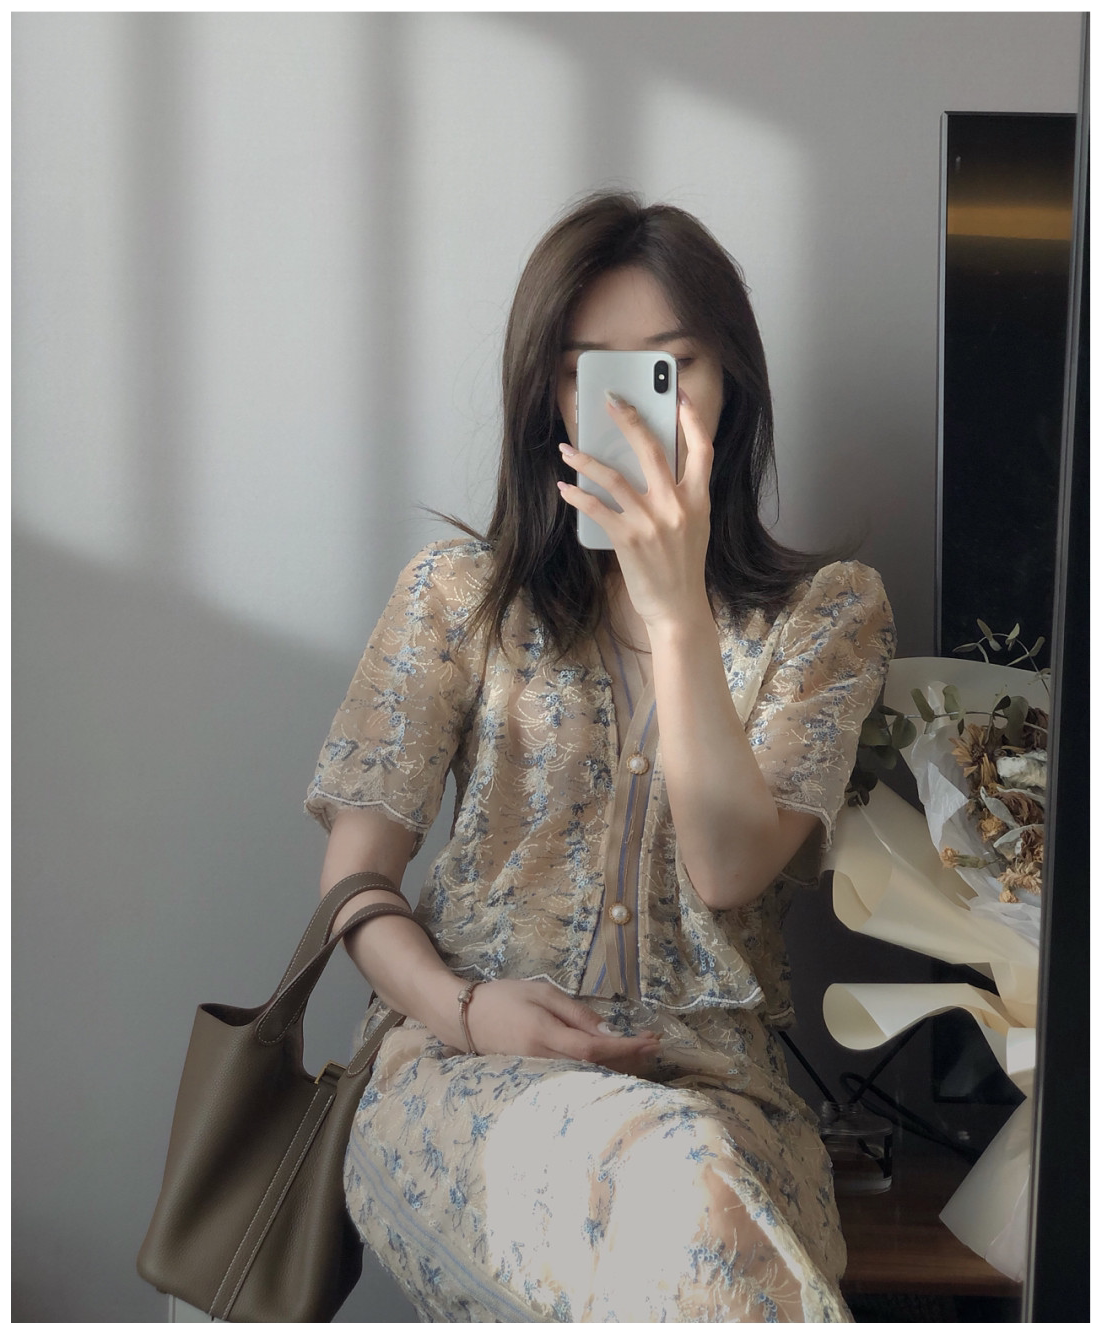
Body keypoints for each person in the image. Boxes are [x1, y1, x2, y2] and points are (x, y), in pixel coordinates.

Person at [305, 191, 895, 1322]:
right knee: (679, 1198)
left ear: (730, 384)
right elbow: (351, 884)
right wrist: (468, 1010)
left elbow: (729, 868)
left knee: (689, 1188)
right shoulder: (454, 599)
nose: (632, 409)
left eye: (669, 369)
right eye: (593, 373)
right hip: (463, 1076)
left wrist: (676, 612)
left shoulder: (827, 616)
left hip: (718, 1104)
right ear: (551, 397)